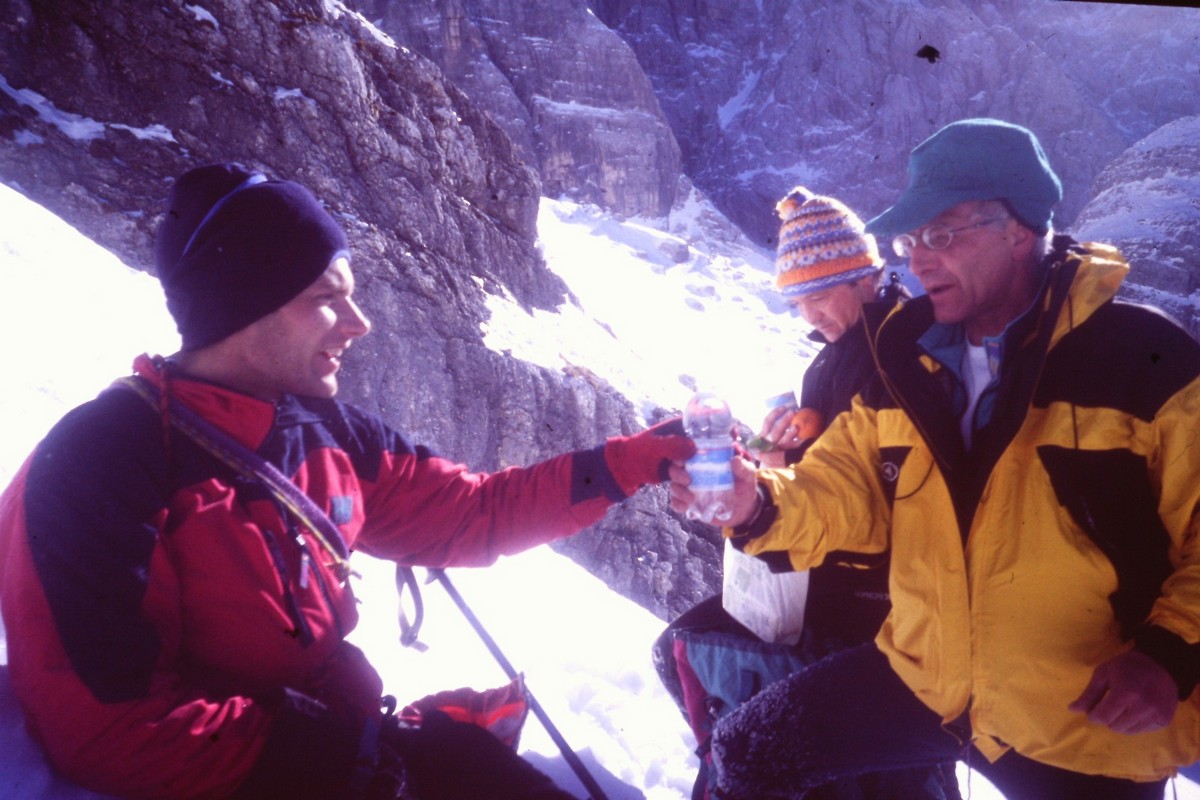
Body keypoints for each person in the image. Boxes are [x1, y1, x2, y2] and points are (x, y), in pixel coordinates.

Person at [0, 163, 694, 800]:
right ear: (245, 302)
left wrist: (629, 462)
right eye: (328, 298)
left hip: (341, 750)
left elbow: (470, 514)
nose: (359, 325)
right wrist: (350, 762)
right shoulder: (100, 465)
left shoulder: (321, 429)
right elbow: (113, 727)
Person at [667, 118, 1200, 799]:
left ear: (1019, 229)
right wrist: (759, 501)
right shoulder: (907, 362)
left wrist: (1169, 655)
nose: (917, 260)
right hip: (926, 676)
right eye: (909, 239)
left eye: (941, 234)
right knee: (748, 751)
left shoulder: (1143, 361)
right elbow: (842, 485)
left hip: (1081, 717)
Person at [655, 188, 958, 800]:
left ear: (865, 277)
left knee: (695, 661)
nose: (809, 315)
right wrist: (789, 455)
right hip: (829, 579)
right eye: (798, 301)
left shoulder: (902, 347)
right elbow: (844, 461)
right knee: (691, 658)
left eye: (818, 296)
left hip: (877, 600)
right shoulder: (839, 356)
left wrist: (791, 464)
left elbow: (886, 479)